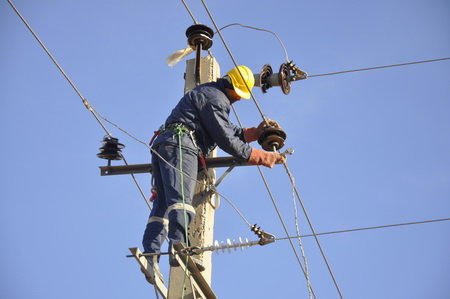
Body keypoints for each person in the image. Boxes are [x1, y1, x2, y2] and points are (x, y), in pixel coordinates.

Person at [142, 65, 286, 283]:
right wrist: (263, 157)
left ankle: (151, 255)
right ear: (232, 86)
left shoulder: (210, 93)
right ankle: (180, 247)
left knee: (163, 205)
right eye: (239, 94)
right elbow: (226, 140)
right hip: (182, 146)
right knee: (181, 201)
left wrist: (254, 133)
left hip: (168, 144)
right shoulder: (216, 99)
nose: (239, 99)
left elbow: (223, 128)